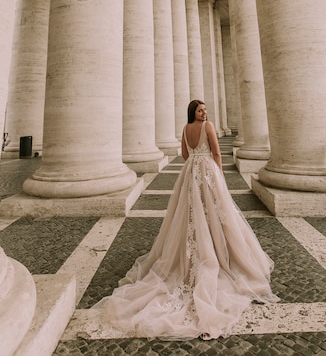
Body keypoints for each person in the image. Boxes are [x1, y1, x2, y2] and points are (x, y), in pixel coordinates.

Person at [91, 100, 279, 340]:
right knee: (214, 212)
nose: (205, 112)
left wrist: (195, 160)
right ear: (194, 112)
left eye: (205, 110)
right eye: (201, 110)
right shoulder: (207, 126)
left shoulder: (185, 128)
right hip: (208, 171)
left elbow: (183, 154)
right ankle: (215, 251)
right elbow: (217, 151)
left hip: (191, 171)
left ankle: (200, 247)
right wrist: (217, 175)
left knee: (192, 212)